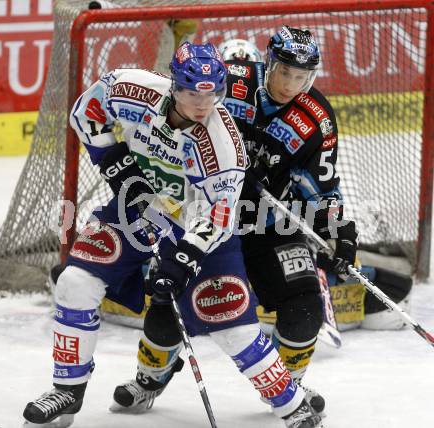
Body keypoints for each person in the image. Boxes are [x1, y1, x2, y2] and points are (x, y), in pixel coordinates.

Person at [22, 42, 322, 428]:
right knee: (75, 282)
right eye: (193, 93)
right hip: (138, 206)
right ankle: (68, 391)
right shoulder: (132, 88)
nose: (203, 103)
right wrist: (115, 164)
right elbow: (86, 112)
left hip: (199, 227)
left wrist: (182, 260)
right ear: (174, 86)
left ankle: (292, 405)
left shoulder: (223, 144)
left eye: (214, 93)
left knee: (233, 325)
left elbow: (219, 216)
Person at [222, 27, 359, 415]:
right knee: (173, 308)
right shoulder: (231, 81)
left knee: (305, 308)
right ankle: (148, 379)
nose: (291, 85)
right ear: (268, 63)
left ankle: (287, 387)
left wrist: (339, 235)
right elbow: (181, 121)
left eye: (302, 77)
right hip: (210, 219)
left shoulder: (317, 118)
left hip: (270, 225)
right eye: (284, 73)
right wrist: (228, 169)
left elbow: (323, 187)